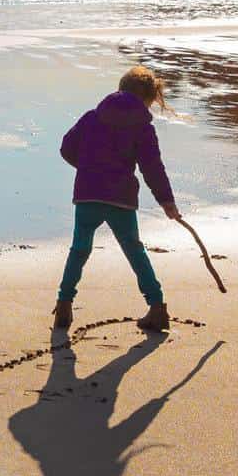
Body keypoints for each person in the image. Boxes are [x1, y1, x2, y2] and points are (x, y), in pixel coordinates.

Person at [55, 65, 180, 332]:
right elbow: (152, 167)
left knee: (79, 249)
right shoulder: (143, 127)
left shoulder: (92, 117)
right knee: (134, 250)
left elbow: (66, 148)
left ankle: (64, 305)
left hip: (88, 193)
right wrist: (166, 201)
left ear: (120, 89)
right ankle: (156, 306)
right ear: (147, 99)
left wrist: (88, 167)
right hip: (120, 197)